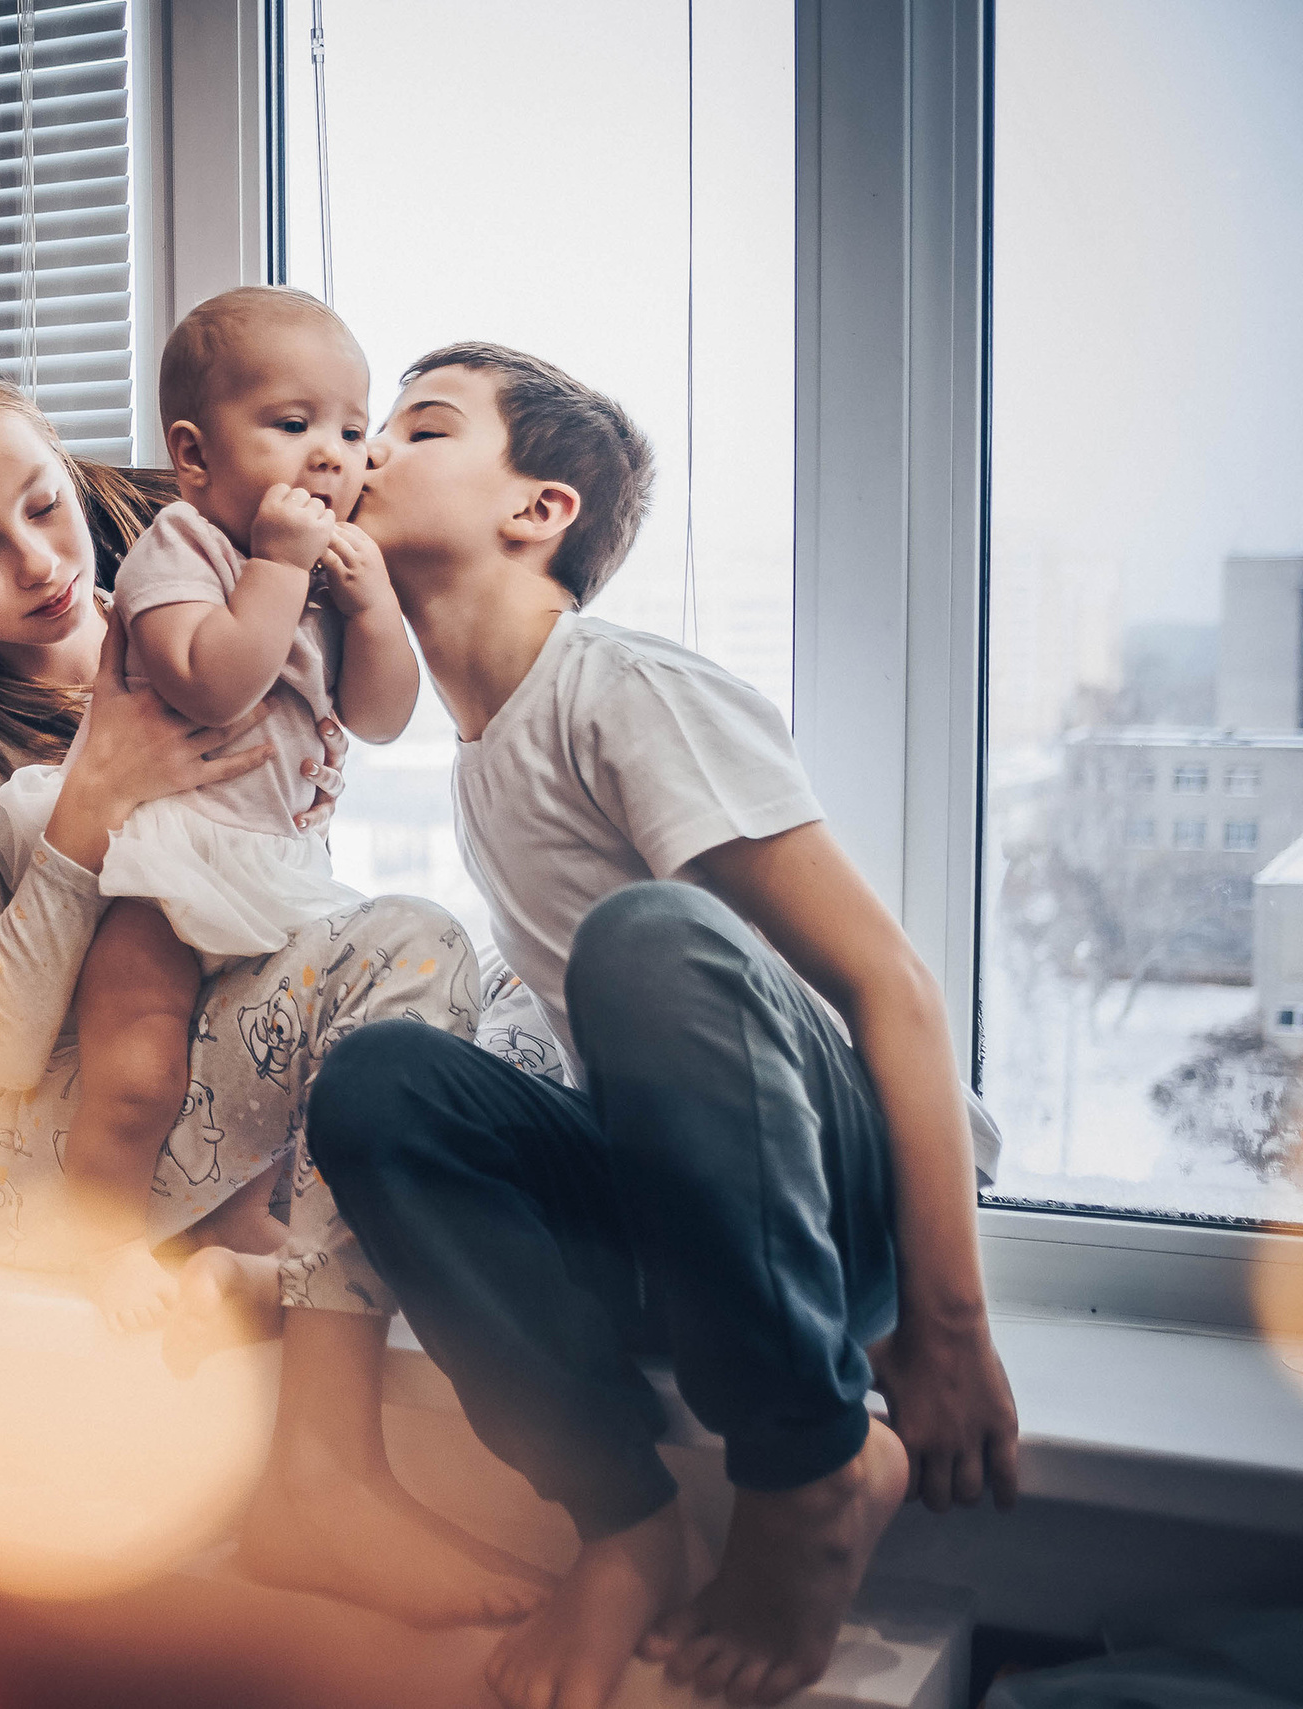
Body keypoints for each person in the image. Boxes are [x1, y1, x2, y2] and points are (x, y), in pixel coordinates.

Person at [307, 343, 1022, 1709]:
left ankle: (813, 1467)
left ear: (539, 513)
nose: (365, 449)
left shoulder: (619, 689)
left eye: (421, 425)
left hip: (843, 1212)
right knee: (383, 1080)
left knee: (647, 938)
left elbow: (895, 986)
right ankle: (623, 1519)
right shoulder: (476, 761)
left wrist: (945, 1326)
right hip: (695, 1224)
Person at [0, 350, 546, 1627]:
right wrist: (96, 798)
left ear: (69, 462)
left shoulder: (194, 563)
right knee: (405, 949)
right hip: (45, 1149)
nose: (41, 564)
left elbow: (321, 458)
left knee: (479, 992)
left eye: (43, 505)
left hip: (206, 1076)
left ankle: (257, 1258)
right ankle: (322, 1479)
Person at [0, 286, 422, 1329]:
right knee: (136, 1071)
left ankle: (232, 1231)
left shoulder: (324, 573)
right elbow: (209, 682)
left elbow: (381, 714)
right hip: (167, 866)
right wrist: (277, 565)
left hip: (274, 869)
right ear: (194, 455)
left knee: (261, 1094)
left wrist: (372, 608)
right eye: (292, 425)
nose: (332, 454)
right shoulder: (179, 547)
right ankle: (95, 1243)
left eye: (353, 431)